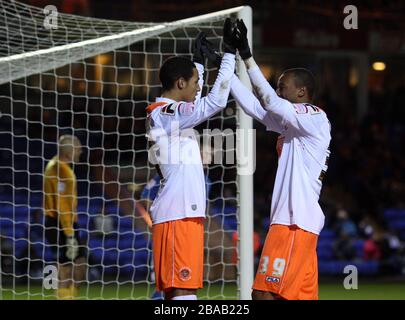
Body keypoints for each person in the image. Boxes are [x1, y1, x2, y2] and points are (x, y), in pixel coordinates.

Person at [203, 19, 331, 300]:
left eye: (283, 86)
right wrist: (222, 63)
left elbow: (269, 102)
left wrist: (247, 56)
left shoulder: (315, 118)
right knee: (286, 296)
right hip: (290, 223)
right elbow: (254, 105)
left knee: (263, 294)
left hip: (295, 222)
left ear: (301, 92)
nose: (278, 90)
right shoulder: (292, 124)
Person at [145, 20, 236, 300]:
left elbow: (192, 104)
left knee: (178, 291)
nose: (199, 86)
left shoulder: (171, 113)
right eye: (195, 82)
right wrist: (230, 55)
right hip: (178, 214)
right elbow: (213, 103)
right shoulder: (164, 113)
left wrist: (198, 63)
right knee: (183, 290)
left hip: (184, 213)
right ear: (180, 83)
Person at [43, 135, 87, 299]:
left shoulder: (55, 165)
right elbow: (62, 206)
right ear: (69, 151)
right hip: (60, 223)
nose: (80, 151)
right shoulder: (62, 171)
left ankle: (68, 295)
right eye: (78, 148)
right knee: (67, 265)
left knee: (77, 260)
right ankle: (64, 296)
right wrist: (69, 234)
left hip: (60, 223)